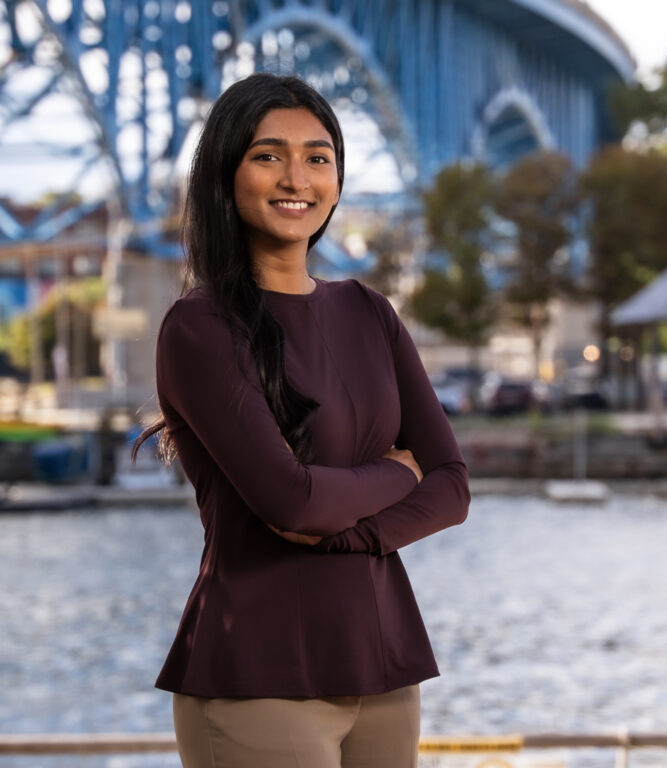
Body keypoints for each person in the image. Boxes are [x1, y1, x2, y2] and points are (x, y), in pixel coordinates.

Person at [132, 72, 470, 768]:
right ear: (226, 173)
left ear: (338, 178)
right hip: (259, 674)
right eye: (268, 155)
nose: (298, 177)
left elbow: (451, 484)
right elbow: (291, 502)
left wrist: (346, 534)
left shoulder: (370, 312)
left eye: (318, 157)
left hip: (383, 666)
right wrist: (394, 472)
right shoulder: (199, 328)